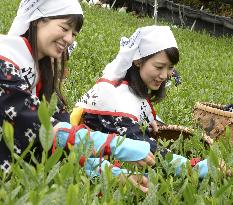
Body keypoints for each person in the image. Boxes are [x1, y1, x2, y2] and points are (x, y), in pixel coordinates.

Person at [0, 0, 155, 191]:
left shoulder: (41, 72)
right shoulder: (5, 61)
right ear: (38, 20)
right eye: (64, 28)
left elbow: (62, 133)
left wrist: (108, 172)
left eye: (73, 34)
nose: (69, 39)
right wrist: (113, 144)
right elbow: (39, 126)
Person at [74, 25, 211, 178]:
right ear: (138, 61)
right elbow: (143, 148)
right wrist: (194, 167)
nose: (165, 75)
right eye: (159, 67)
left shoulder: (128, 87)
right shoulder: (116, 99)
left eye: (170, 68)